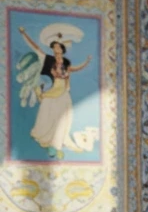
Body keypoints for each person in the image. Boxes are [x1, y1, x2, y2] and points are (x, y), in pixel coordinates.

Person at [18, 27, 93, 160]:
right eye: (54, 46)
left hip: (63, 93)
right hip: (52, 92)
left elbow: (73, 70)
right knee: (48, 116)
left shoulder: (67, 63)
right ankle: (49, 142)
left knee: (64, 117)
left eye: (58, 46)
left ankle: (56, 144)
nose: (55, 48)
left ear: (62, 49)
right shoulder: (48, 59)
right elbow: (35, 47)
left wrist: (86, 63)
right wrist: (24, 33)